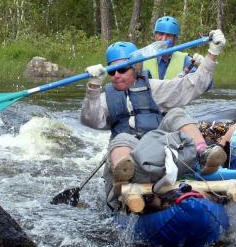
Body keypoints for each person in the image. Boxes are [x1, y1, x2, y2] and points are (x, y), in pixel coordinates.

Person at [80, 30, 227, 199]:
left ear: (135, 67)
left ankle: (204, 154)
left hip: (157, 150)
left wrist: (212, 54)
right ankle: (125, 180)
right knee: (121, 138)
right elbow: (90, 120)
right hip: (130, 156)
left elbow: (191, 85)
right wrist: (93, 86)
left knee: (176, 113)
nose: (117, 76)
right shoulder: (105, 98)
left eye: (121, 69)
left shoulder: (154, 88)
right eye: (112, 72)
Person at [142, 16, 206, 80]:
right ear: (155, 36)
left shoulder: (186, 61)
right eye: (161, 34)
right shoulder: (142, 59)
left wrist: (203, 69)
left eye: (169, 35)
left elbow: (205, 84)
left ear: (175, 39)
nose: (164, 39)